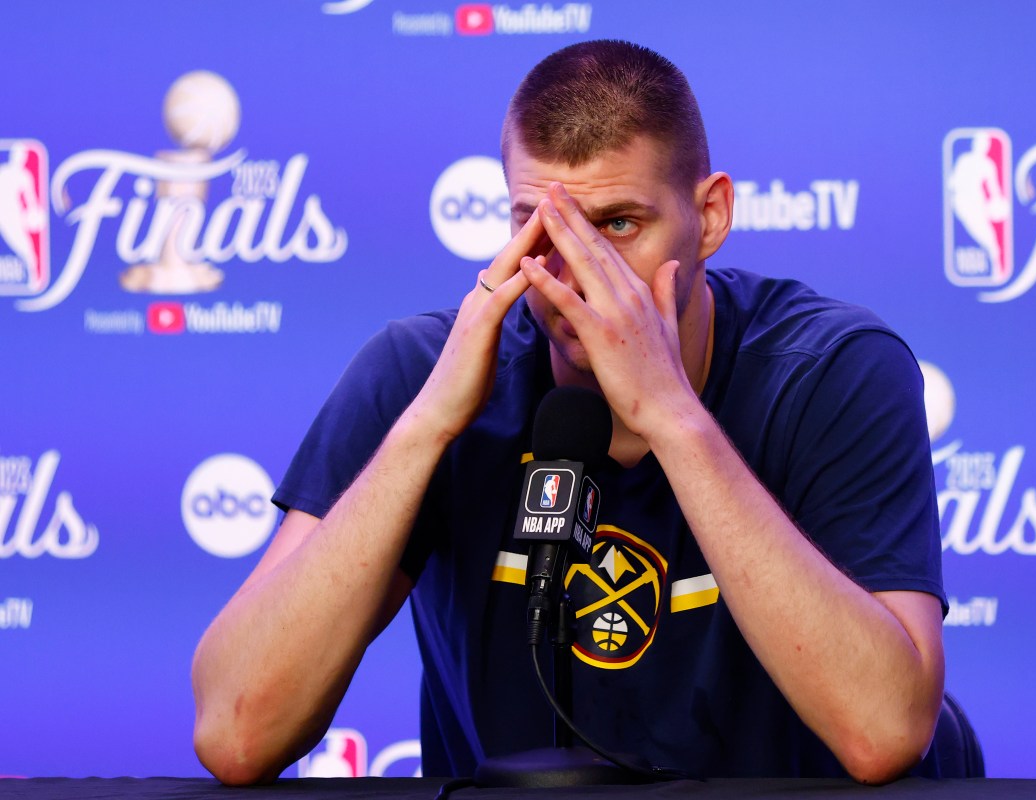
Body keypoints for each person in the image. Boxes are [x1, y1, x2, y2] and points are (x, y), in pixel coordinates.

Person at [191, 40, 946, 786]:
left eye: (617, 224)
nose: (576, 272)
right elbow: (236, 733)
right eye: (542, 227)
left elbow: (883, 730)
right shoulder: (425, 371)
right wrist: (425, 428)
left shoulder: (832, 369)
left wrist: (672, 417)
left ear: (710, 216)